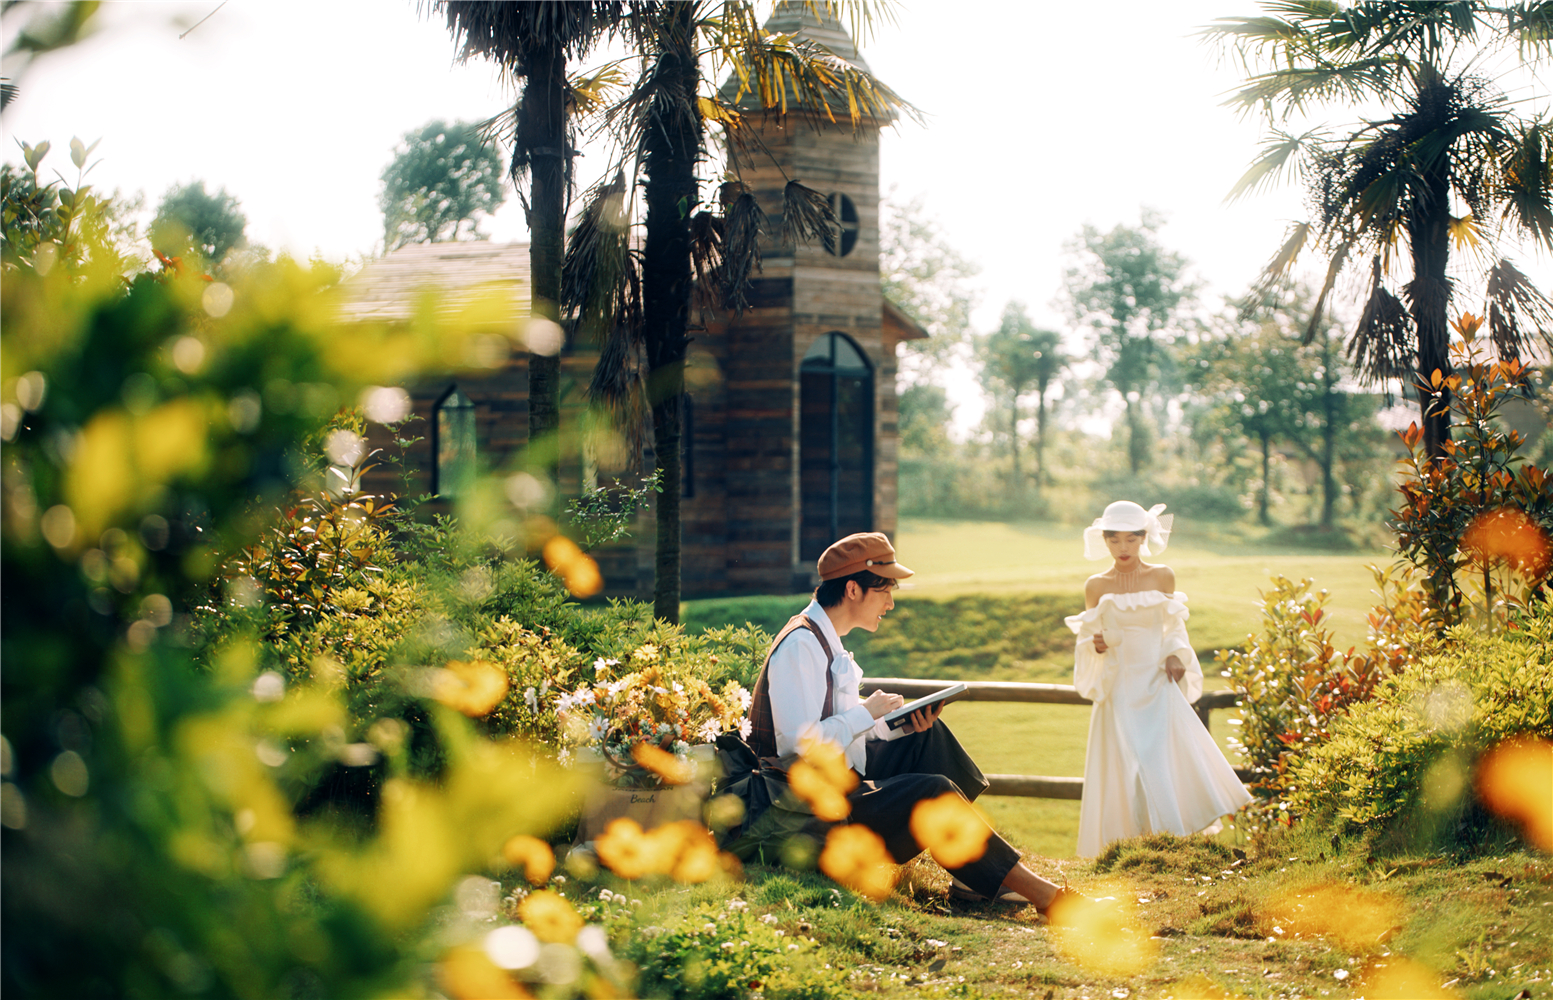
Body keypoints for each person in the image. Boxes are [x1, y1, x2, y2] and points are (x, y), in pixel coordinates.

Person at [746, 531, 1071, 910]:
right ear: (853, 589)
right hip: (808, 812)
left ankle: (974, 875)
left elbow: (838, 726)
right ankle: (1045, 897)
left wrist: (892, 723)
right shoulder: (802, 645)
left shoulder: (824, 637)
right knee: (934, 790)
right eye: (885, 591)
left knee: (926, 735)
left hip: (834, 782)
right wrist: (867, 712)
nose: (891, 604)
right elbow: (796, 746)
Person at [1066, 501, 1252, 857]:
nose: (1124, 548)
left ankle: (1170, 840)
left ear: (1143, 538)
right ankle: (1133, 844)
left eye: (1132, 540)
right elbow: (1088, 639)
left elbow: (1173, 627)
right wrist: (1098, 646)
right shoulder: (1095, 585)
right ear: (1104, 541)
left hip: (1155, 679)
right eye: (1115, 540)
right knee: (1131, 760)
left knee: (1156, 756)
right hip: (1119, 685)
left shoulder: (1163, 575)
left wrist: (1174, 655)